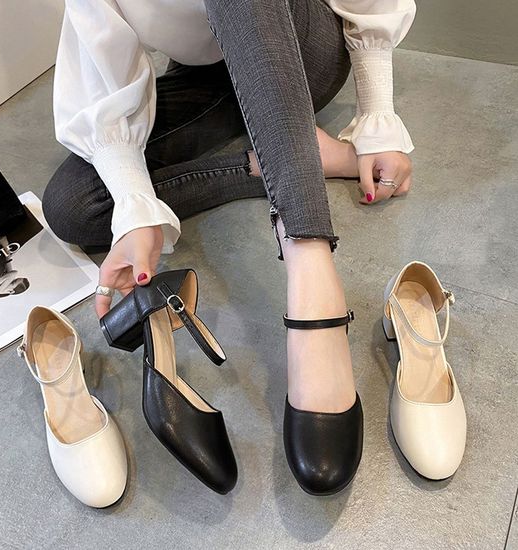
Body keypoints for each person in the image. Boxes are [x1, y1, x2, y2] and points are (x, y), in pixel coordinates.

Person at [42, 0, 415, 494]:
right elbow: (98, 51)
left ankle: (309, 262)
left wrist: (377, 115)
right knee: (73, 204)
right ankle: (278, 163)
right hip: (211, 71)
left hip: (303, 50)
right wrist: (135, 206)